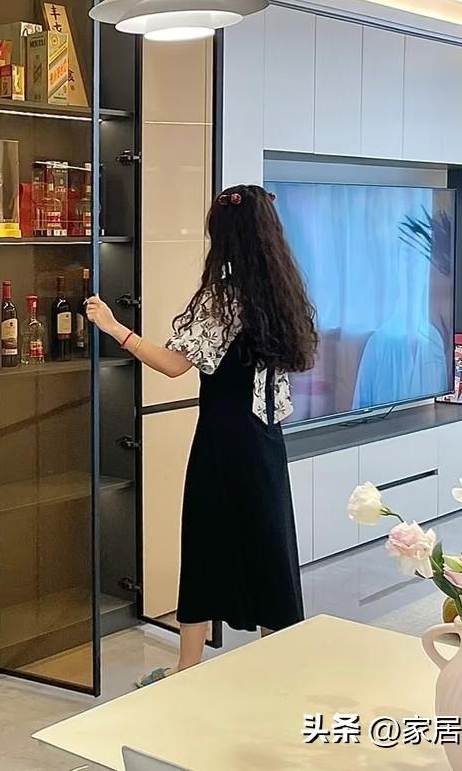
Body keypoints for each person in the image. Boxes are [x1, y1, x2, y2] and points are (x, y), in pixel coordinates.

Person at [86, 184, 318, 684]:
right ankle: (281, 664)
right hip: (267, 439)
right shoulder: (283, 295)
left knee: (206, 541)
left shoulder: (224, 298)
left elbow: (174, 365)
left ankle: (188, 664)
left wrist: (114, 327)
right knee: (269, 544)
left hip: (223, 439)